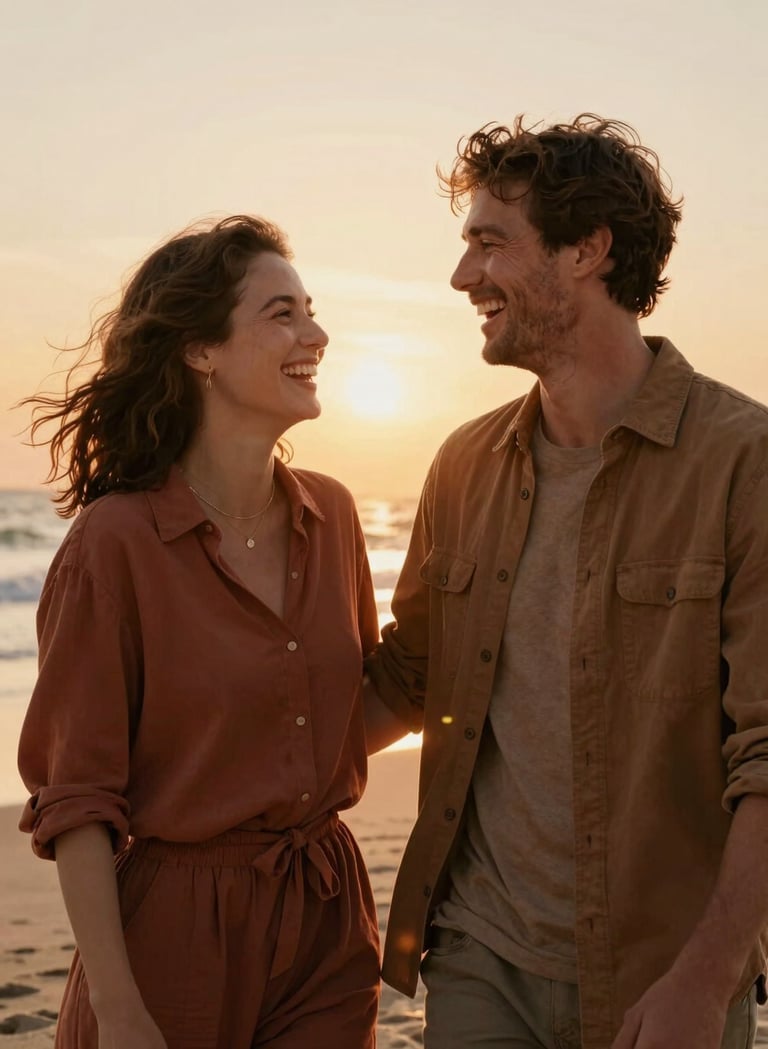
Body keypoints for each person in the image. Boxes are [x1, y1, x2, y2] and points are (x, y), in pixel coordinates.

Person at [363, 115, 768, 1049]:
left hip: (661, 978)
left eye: (489, 244)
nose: (464, 277)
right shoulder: (462, 465)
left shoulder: (742, 464)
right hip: (477, 953)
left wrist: (705, 983)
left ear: (587, 250)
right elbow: (406, 680)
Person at [18, 215, 380, 1049]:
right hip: (171, 933)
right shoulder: (115, 544)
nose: (315, 333)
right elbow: (77, 800)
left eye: (311, 309)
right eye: (281, 313)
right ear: (199, 350)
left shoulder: (335, 517)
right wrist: (119, 1007)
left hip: (325, 911)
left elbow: (350, 708)